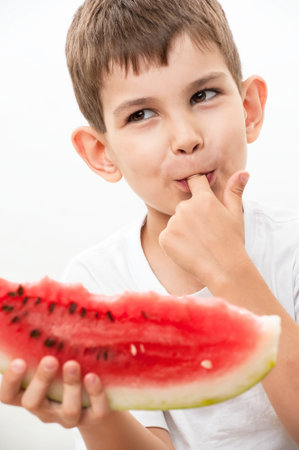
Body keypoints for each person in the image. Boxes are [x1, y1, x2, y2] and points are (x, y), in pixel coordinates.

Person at [1, 0, 299, 449]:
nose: (186, 137)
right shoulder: (100, 282)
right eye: (141, 114)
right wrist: (91, 414)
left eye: (203, 95)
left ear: (250, 108)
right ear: (102, 153)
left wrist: (230, 271)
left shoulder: (292, 245)